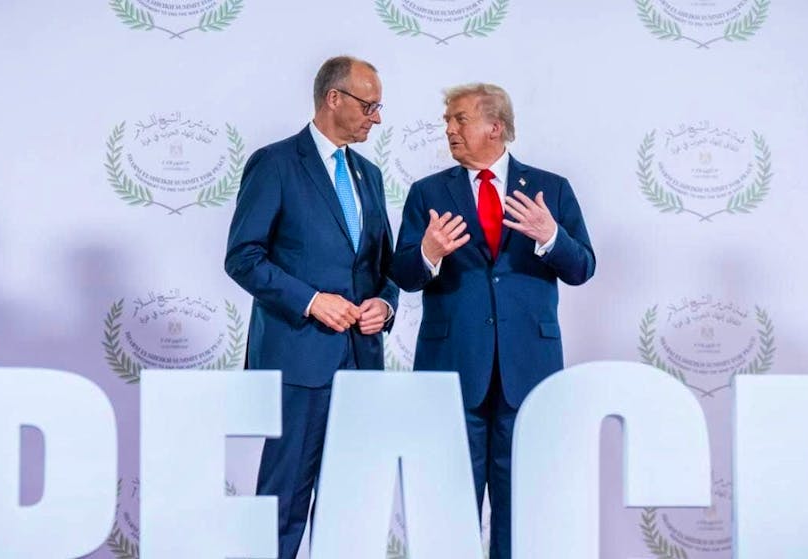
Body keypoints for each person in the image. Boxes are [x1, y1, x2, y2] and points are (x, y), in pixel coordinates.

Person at [391, 83, 595, 559]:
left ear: (495, 126)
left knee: (520, 507)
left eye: (459, 119)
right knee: (448, 503)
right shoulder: (428, 193)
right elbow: (402, 273)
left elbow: (583, 268)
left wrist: (551, 237)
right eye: (447, 121)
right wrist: (428, 252)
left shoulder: (552, 189)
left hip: (528, 371)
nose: (449, 130)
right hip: (453, 368)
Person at [225, 55, 398, 559]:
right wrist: (311, 301)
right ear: (334, 99)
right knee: (283, 506)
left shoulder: (369, 174)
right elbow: (243, 258)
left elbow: (382, 267)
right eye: (369, 105)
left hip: (361, 362)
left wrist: (384, 307)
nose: (377, 117)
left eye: (379, 106)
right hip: (300, 362)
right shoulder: (275, 163)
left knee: (351, 505)